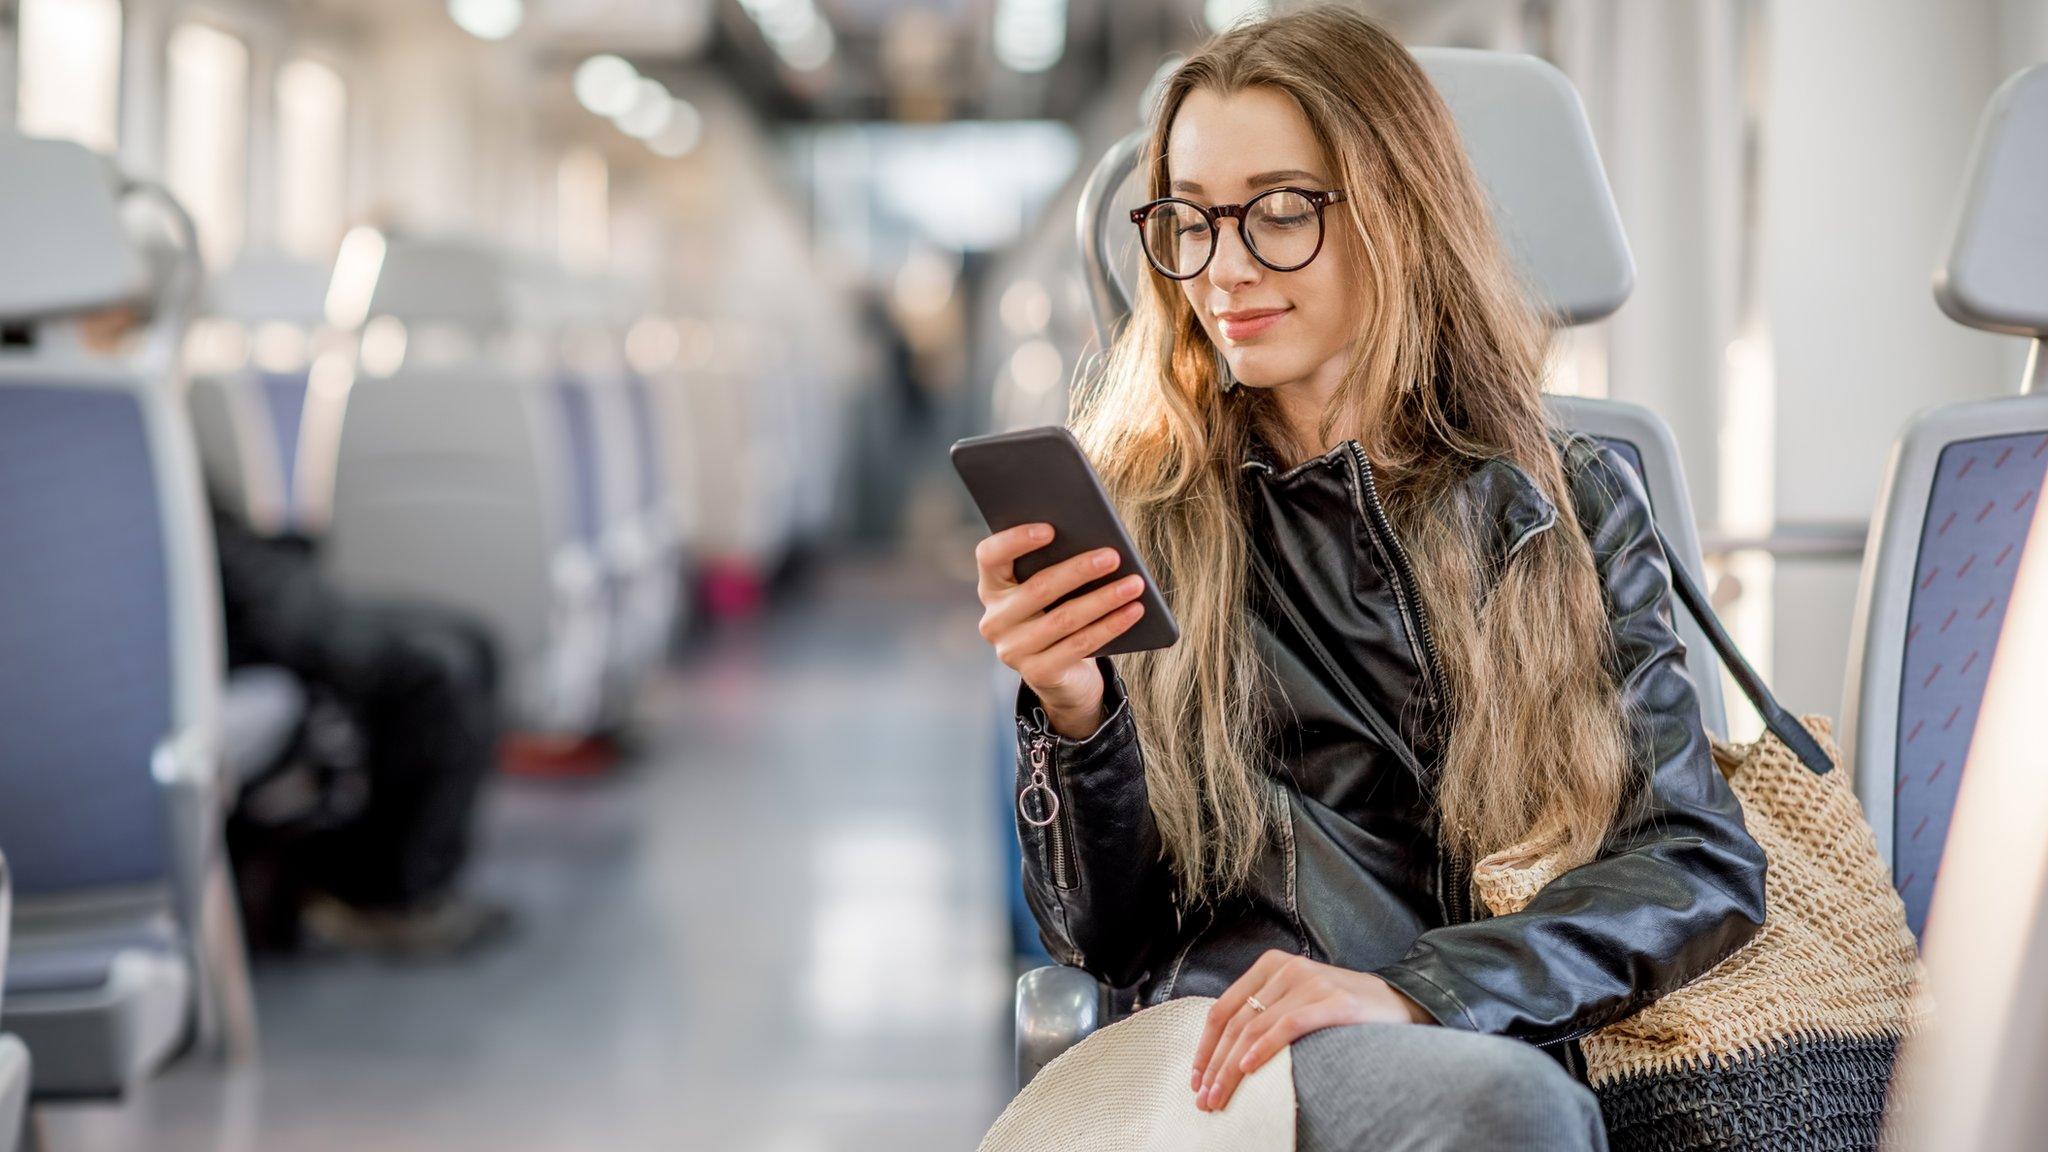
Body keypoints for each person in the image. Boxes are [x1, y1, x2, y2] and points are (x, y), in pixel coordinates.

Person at [970, 9, 1767, 1150]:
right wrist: (1076, 715)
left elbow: (1695, 860)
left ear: (1397, 216)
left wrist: (1420, 990)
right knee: (1511, 1109)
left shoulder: (1564, 501)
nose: (1224, 267)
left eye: (1281, 212)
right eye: (1187, 220)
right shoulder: (1140, 509)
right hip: (1241, 1049)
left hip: (1500, 1021)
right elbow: (1105, 941)